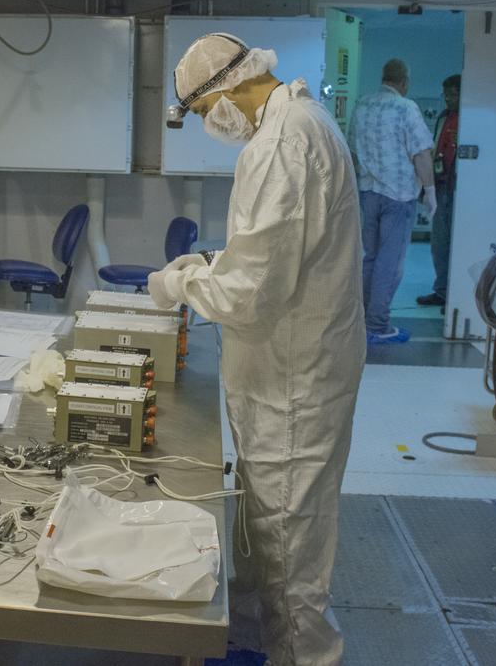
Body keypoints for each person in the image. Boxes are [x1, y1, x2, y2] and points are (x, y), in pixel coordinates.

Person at [148, 33, 366, 666]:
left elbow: (250, 293)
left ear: (223, 92)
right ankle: (244, 641)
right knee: (263, 530)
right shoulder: (300, 122)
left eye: (201, 111)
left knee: (288, 551)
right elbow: (278, 253)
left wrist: (181, 283)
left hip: (292, 383)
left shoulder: (277, 144)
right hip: (292, 368)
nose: (211, 125)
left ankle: (302, 657)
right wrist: (215, 261)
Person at [348, 59, 436, 345]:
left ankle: (360, 320)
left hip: (367, 193)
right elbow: (421, 154)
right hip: (399, 196)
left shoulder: (362, 105)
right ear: (405, 81)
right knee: (390, 261)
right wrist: (430, 192)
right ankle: (378, 324)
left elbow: (350, 150)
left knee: (370, 257)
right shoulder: (405, 107)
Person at [418, 74, 460, 308]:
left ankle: (456, 295)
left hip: (460, 189)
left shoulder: (468, 119)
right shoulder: (444, 118)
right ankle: (442, 290)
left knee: (457, 241)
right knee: (439, 243)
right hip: (442, 185)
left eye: (453, 94)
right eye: (446, 94)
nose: (448, 99)